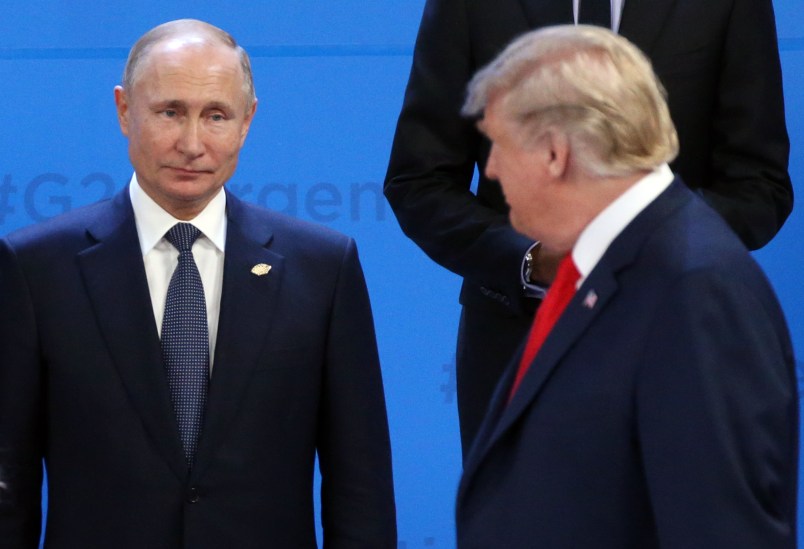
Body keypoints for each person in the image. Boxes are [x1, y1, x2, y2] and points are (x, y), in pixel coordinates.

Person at [0, 19, 396, 548]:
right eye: (170, 112)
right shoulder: (36, 267)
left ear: (247, 121)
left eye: (216, 115)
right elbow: (8, 478)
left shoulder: (323, 267)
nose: (192, 143)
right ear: (124, 110)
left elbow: (361, 484)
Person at [385, 0, 794, 455]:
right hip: (516, 344)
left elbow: (759, 187)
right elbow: (419, 181)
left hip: (681, 343)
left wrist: (652, 249)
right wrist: (533, 260)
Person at [454, 25, 798, 548]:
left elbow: (720, 530)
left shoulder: (693, 289)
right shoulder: (617, 268)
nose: (492, 169)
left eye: (497, 143)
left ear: (554, 152)